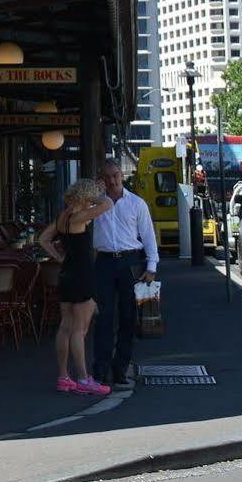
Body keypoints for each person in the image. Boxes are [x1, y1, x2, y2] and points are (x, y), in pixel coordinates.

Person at [38, 178, 116, 396]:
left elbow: (43, 239)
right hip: (82, 275)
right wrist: (99, 194)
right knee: (79, 330)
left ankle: (64, 377)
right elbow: (108, 204)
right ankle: (83, 378)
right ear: (86, 197)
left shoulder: (64, 217)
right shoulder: (80, 217)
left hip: (67, 274)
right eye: (90, 197)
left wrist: (59, 257)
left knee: (65, 326)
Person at [91, 160, 159, 387]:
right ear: (101, 179)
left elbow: (148, 235)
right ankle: (100, 369)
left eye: (115, 175)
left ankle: (120, 367)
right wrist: (95, 193)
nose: (112, 180)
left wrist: (152, 267)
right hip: (104, 262)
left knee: (128, 317)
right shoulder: (95, 204)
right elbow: (78, 215)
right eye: (107, 177)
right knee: (103, 317)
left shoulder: (137, 204)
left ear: (122, 175)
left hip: (131, 262)